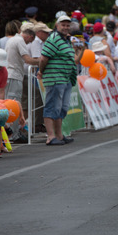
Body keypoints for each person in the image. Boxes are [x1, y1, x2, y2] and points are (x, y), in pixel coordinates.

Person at [37, 15, 77, 146]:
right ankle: (51, 136)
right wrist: (41, 71)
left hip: (65, 78)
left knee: (61, 108)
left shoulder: (65, 40)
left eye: (67, 25)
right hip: (55, 78)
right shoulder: (54, 38)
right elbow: (43, 58)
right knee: (52, 107)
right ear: (57, 25)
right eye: (63, 25)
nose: (65, 27)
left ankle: (59, 135)